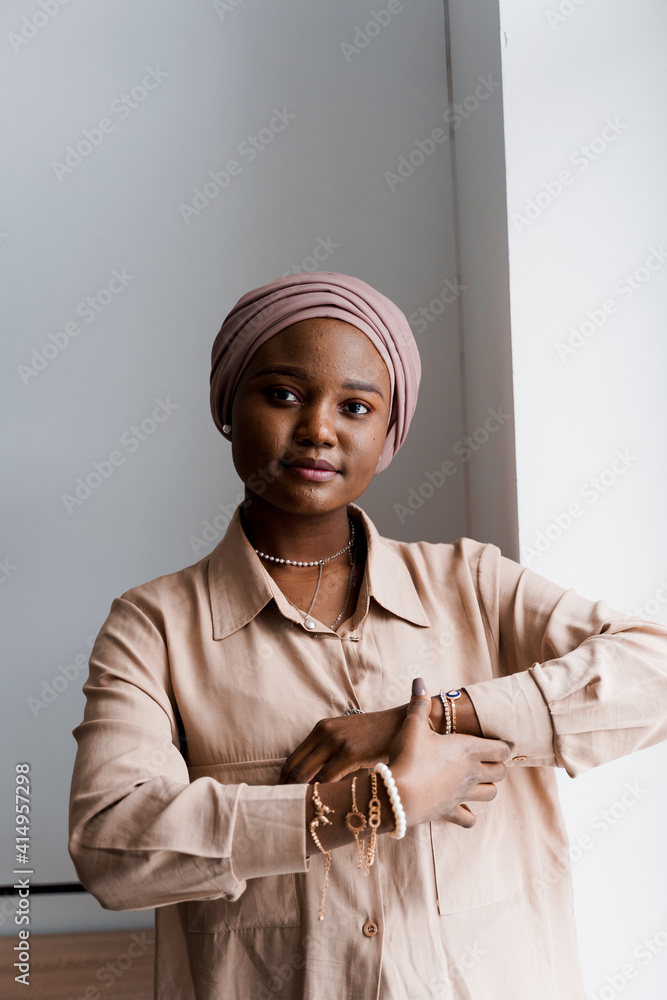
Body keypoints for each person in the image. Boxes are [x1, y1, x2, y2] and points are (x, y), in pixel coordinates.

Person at [68, 271, 667, 1000]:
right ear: (229, 407)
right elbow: (112, 842)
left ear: (387, 435)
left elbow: (655, 668)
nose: (318, 429)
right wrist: (371, 805)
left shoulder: (475, 584)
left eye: (355, 406)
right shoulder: (153, 627)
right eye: (282, 394)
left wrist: (435, 717)